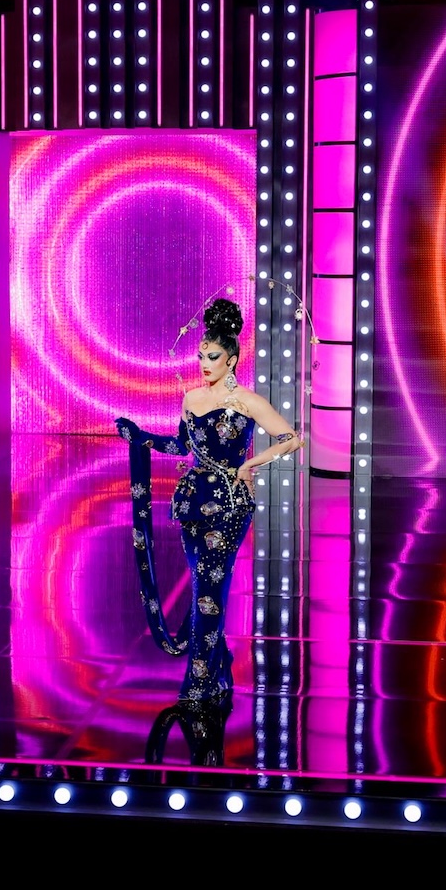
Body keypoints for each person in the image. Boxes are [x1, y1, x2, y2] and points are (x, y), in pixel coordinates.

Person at [116, 297, 302, 705]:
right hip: (192, 501)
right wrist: (140, 436)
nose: (204, 363)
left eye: (213, 356)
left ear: (231, 360)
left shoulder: (248, 401)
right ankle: (217, 658)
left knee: (209, 590)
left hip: (231, 505)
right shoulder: (191, 399)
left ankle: (199, 680)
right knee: (204, 585)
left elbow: (292, 437)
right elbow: (180, 446)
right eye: (201, 355)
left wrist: (250, 463)